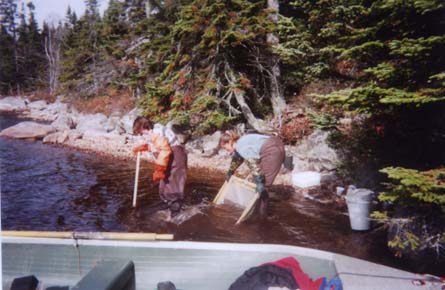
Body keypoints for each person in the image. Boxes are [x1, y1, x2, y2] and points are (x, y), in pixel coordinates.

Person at [219, 130, 285, 216]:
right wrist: (230, 172)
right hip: (272, 145)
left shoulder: (241, 147)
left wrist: (260, 183)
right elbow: (237, 158)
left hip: (273, 151)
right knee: (257, 181)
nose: (226, 151)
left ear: (230, 142)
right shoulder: (240, 143)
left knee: (263, 186)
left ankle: (261, 216)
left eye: (225, 147)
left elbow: (254, 166)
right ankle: (256, 209)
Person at [132, 116, 187, 216]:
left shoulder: (156, 132)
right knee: (164, 187)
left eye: (140, 132)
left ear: (144, 127)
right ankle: (167, 207)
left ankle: (176, 217)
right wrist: (145, 147)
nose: (141, 135)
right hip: (169, 159)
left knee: (173, 187)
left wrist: (159, 169)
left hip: (176, 159)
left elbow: (165, 150)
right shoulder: (154, 132)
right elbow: (158, 145)